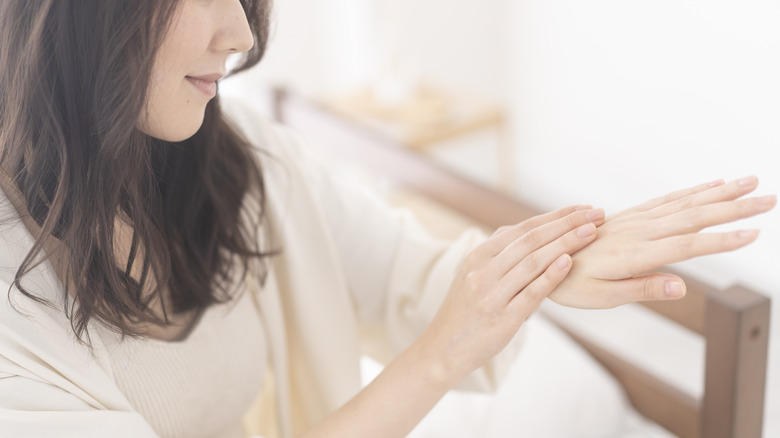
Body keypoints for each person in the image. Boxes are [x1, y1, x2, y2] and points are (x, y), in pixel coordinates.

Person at [0, 1, 774, 437]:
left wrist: (555, 262)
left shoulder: (233, 160)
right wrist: (438, 356)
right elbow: (441, 334)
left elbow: (412, 274)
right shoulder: (13, 314)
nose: (238, 34)